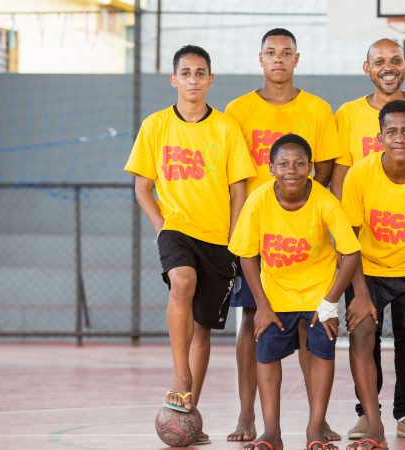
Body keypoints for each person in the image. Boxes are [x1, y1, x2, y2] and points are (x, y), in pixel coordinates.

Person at [124, 45, 256, 445]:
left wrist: (235, 237)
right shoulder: (156, 125)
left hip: (218, 237)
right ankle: (180, 374)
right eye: (186, 73)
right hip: (177, 229)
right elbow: (142, 186)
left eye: (201, 73)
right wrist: (162, 227)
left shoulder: (226, 127)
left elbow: (238, 190)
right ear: (174, 79)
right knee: (182, 281)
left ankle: (188, 414)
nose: (193, 80)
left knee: (202, 327)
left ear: (210, 80)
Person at [330, 38, 405, 440]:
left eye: (395, 59)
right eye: (379, 60)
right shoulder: (360, 165)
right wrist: (358, 289)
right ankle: (371, 417)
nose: (399, 137)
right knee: (363, 328)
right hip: (367, 262)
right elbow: (348, 229)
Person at [224, 28, 343, 443]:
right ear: (260, 59)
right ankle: (247, 417)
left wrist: (305, 210)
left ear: (297, 59)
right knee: (252, 321)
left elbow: (326, 168)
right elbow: (233, 174)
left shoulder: (317, 109)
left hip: (306, 235)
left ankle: (318, 420)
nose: (278, 59)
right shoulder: (238, 110)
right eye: (271, 52)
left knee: (312, 329)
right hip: (256, 233)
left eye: (286, 52)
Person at [228, 133, 361, 450]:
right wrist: (261, 305)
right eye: (284, 163)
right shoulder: (258, 200)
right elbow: (246, 254)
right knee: (267, 355)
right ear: (271, 166)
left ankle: (315, 429)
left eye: (300, 163)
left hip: (318, 294)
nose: (292, 170)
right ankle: (271, 431)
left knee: (321, 352)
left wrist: (330, 303)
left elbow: (351, 253)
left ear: (311, 168)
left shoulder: (324, 201)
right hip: (276, 295)